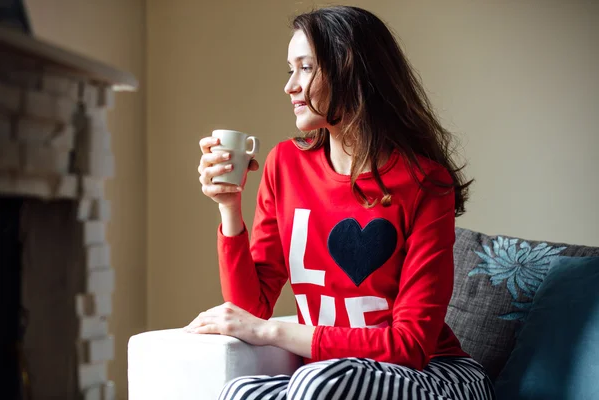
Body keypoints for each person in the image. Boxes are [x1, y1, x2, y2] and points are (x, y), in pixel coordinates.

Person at [186, 5, 496, 400]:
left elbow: (411, 345)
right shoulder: (285, 164)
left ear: (350, 72)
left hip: (439, 375)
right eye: (289, 69)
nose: (290, 86)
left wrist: (273, 333)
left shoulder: (425, 183)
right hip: (334, 376)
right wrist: (229, 207)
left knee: (318, 381)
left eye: (305, 68)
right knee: (244, 391)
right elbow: (253, 306)